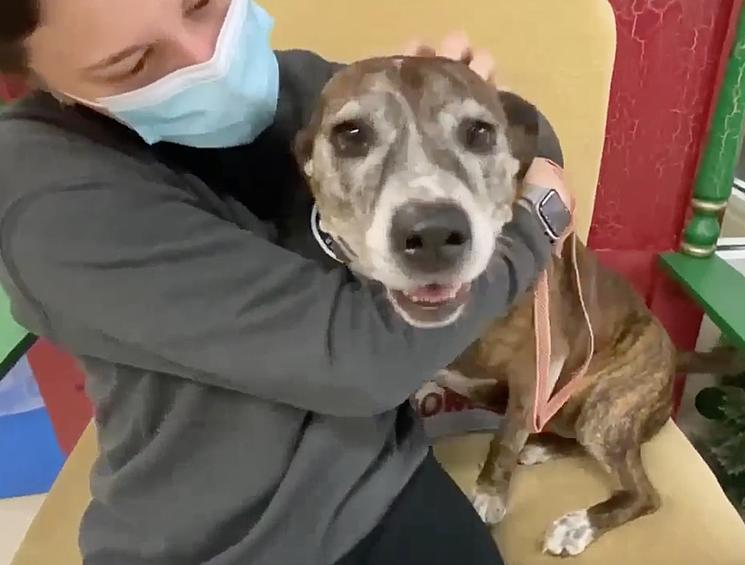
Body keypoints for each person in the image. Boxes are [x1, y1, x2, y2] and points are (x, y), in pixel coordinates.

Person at [0, 1, 573, 564]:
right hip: (232, 539)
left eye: (202, 3)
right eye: (133, 63)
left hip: (379, 470)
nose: (208, 60)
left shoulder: (282, 89)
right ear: (38, 77)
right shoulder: (47, 204)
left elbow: (530, 138)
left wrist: (455, 100)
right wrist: (538, 222)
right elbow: (362, 357)